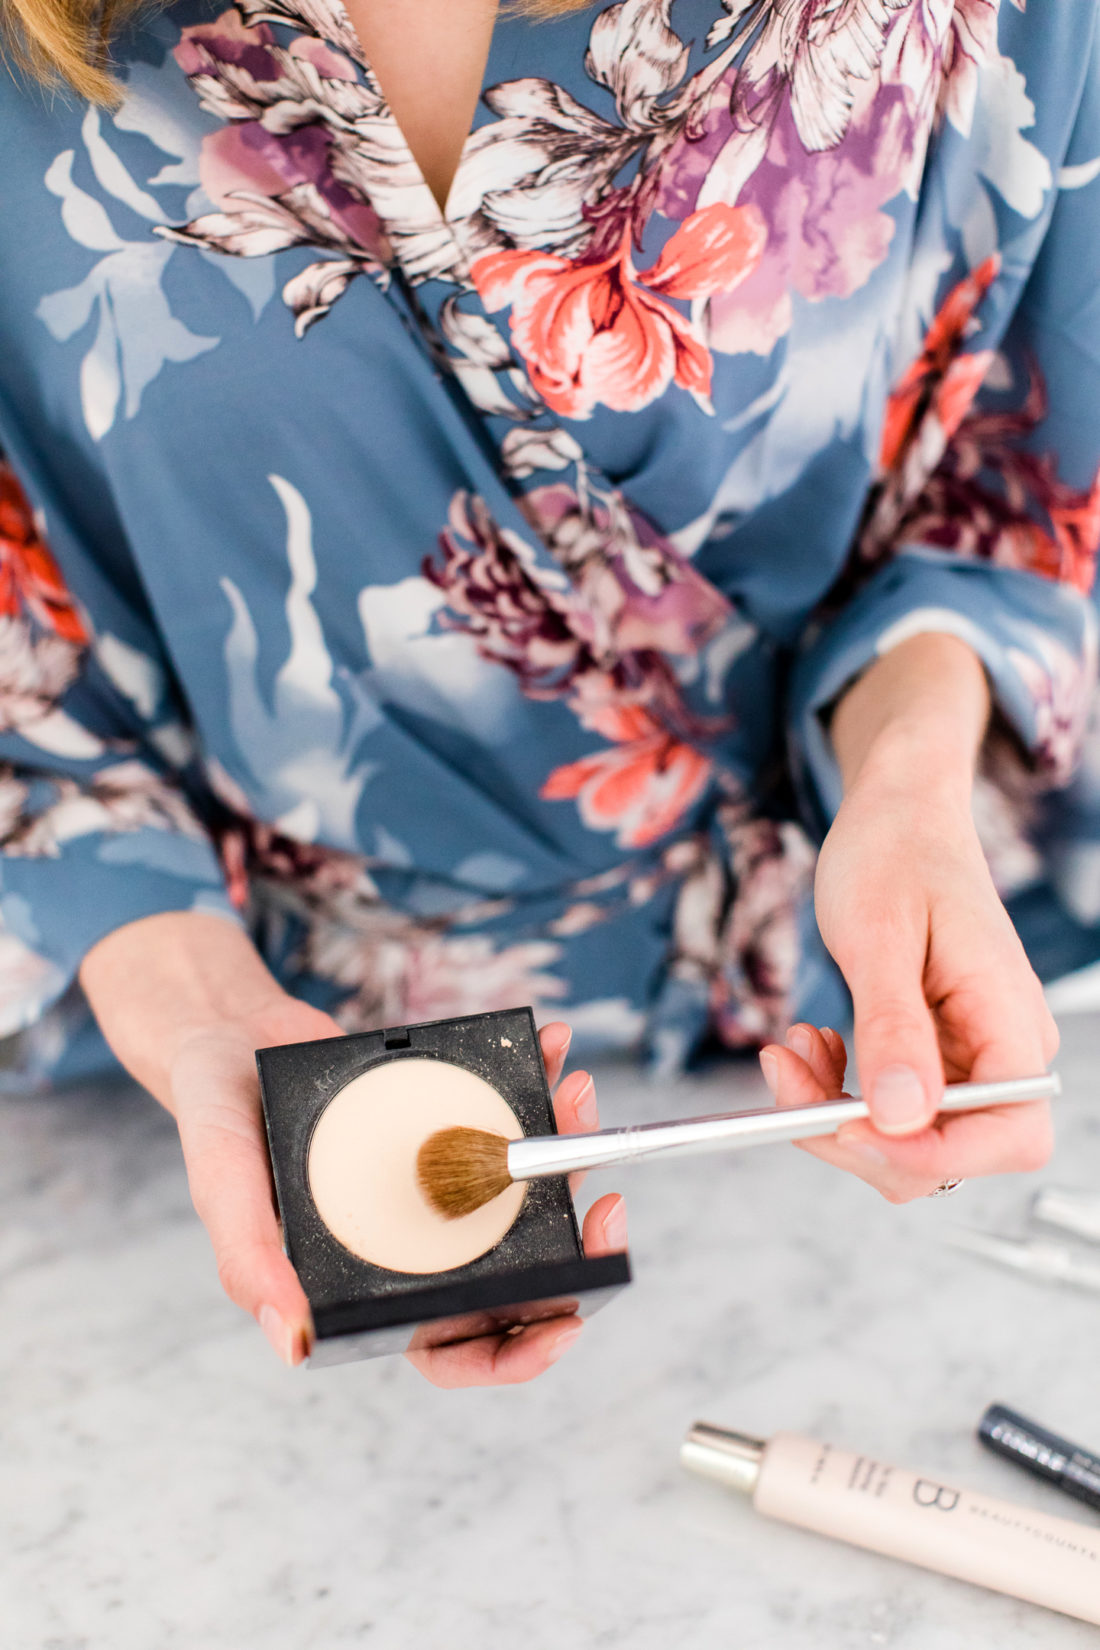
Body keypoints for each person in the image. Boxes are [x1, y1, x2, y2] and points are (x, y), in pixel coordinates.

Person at [0, 0, 1096, 1387]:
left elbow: (1000, 480)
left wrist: (913, 782)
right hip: (166, 1137)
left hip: (898, 998)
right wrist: (190, 1000)